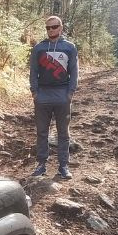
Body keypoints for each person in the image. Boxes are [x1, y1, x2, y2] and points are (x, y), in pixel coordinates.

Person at [29, 15, 78, 179]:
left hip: (62, 95)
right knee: (42, 132)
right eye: (48, 27)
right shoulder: (39, 48)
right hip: (42, 95)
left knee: (63, 133)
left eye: (54, 26)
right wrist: (35, 93)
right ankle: (41, 165)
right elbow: (33, 72)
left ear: (61, 27)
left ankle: (63, 166)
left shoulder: (69, 47)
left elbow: (74, 71)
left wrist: (70, 93)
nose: (51, 30)